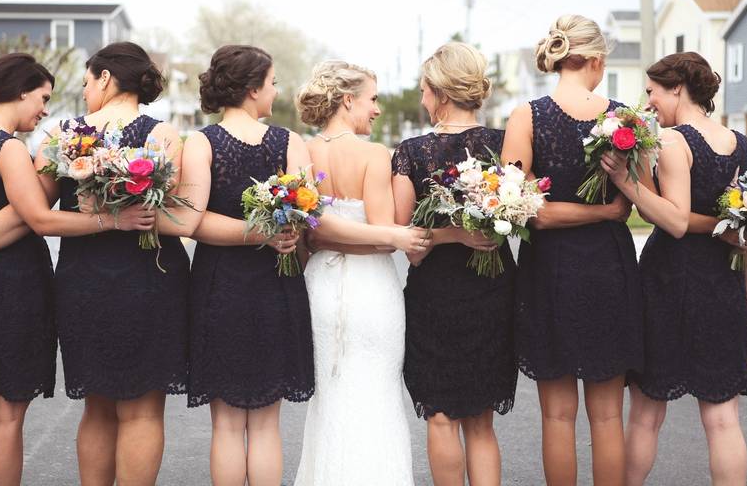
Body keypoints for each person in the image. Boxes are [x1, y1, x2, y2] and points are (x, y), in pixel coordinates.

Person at [180, 45, 426, 486]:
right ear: (253, 88)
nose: (276, 92)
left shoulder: (200, 142)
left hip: (219, 285)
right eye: (272, 83)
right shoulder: (287, 143)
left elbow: (190, 221)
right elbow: (307, 216)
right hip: (277, 283)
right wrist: (274, 235)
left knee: (227, 425)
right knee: (266, 424)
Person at [0, 43, 179, 486]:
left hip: (83, 281)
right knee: (143, 411)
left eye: (88, 81)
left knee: (96, 406)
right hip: (149, 279)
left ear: (105, 78)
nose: (85, 90)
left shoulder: (63, 136)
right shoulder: (162, 135)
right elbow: (172, 213)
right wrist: (121, 215)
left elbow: (31, 210)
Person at [502, 15, 641, 486]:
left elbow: (522, 210)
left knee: (557, 416)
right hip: (608, 264)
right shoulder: (624, 119)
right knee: (607, 417)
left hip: (549, 270)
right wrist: (604, 213)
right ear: (597, 61)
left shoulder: (526, 116)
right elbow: (637, 199)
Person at [605, 52, 747, 486]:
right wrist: (745, 294)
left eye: (652, 92)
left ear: (677, 88)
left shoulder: (674, 141)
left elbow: (674, 220)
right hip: (723, 285)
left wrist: (626, 182)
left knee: (646, 416)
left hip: (670, 283)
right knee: (724, 421)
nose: (648, 102)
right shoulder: (742, 145)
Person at [392, 42, 518, 486]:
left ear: (441, 93)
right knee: (482, 422)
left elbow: (408, 241)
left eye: (425, 90)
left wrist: (446, 235)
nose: (423, 98)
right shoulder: (504, 146)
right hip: (493, 290)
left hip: (436, 295)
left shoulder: (411, 153)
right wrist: (468, 233)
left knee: (442, 417)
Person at [292, 61, 420, 486]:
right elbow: (385, 238)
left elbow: (308, 232)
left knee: (330, 398)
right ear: (348, 100)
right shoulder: (373, 155)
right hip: (371, 288)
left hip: (321, 285)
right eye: (373, 99)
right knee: (377, 396)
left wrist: (325, 239)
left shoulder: (302, 152)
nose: (377, 109)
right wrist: (393, 236)